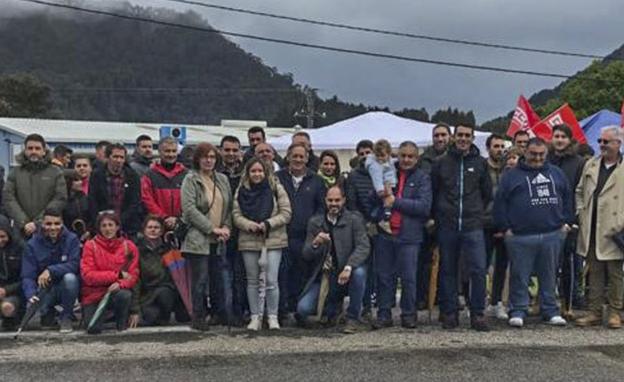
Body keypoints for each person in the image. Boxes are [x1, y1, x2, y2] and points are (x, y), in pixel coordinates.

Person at [494, 137, 572, 328]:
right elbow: (500, 203)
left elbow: (568, 198)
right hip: (520, 236)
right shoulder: (511, 176)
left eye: (541, 154)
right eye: (533, 154)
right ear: (525, 153)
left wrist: (567, 222)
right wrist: (505, 229)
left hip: (552, 233)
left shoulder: (557, 173)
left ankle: (550, 310)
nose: (537, 158)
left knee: (549, 275)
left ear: (546, 154)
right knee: (520, 275)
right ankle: (518, 310)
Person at [432, 124, 492, 331]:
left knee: (477, 269)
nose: (463, 139)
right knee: (448, 269)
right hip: (447, 224)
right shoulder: (441, 163)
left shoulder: (481, 163)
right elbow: (434, 191)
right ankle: (449, 312)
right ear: (453, 137)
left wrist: (476, 212)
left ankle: (477, 313)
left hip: (472, 225)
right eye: (460, 135)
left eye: (467, 135)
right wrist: (438, 215)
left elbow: (486, 193)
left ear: (473, 137)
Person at [370, 141, 431, 329]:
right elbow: (373, 199)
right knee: (384, 276)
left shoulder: (423, 178)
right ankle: (384, 313)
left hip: (409, 235)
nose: (406, 160)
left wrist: (395, 201)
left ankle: (408, 314)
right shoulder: (387, 172)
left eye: (410, 156)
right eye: (402, 155)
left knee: (409, 278)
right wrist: (379, 203)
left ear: (416, 158)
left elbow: (423, 207)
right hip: (385, 233)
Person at [298, 185, 370, 334]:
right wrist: (316, 243)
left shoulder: (354, 220)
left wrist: (349, 267)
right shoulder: (315, 222)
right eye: (330, 200)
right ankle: (333, 310)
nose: (334, 204)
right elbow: (306, 254)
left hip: (347, 271)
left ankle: (353, 317)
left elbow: (363, 247)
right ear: (325, 201)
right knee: (303, 309)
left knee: (360, 273)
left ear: (343, 200)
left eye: (337, 200)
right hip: (324, 276)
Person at [233, 158, 292, 331]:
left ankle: (272, 316)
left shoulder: (276, 187)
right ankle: (255, 316)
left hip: (273, 239)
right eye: (253, 171)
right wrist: (248, 225)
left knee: (272, 280)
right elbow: (235, 214)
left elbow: (286, 213)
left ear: (265, 172)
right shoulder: (241, 190)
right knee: (252, 281)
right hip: (248, 240)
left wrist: (268, 223)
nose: (257, 174)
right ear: (248, 172)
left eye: (260, 171)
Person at [575, 126, 624, 329]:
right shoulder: (591, 165)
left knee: (615, 274)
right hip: (592, 226)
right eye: (600, 141)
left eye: (606, 141)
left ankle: (615, 312)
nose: (602, 145)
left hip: (615, 229)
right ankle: (594, 312)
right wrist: (580, 212)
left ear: (618, 143)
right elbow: (579, 191)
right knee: (593, 271)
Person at [180, 143, 232, 331]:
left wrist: (226, 227)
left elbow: (229, 206)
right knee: (200, 280)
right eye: (204, 157)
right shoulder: (191, 180)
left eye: (212, 156)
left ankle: (220, 313)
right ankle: (198, 316)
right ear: (197, 159)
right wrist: (212, 229)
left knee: (218, 279)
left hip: (219, 238)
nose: (209, 160)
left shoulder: (223, 180)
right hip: (198, 238)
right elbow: (189, 210)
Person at [275, 143, 326, 321]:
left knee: (302, 274)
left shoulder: (317, 181)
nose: (298, 160)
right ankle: (281, 312)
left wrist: (315, 227)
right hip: (281, 235)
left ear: (307, 158)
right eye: (294, 156)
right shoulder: (277, 178)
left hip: (306, 237)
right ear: (287, 157)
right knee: (281, 274)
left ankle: (300, 311)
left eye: (301, 156)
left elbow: (322, 209)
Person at [21, 209, 80, 333]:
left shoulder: (72, 239)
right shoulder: (32, 244)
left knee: (70, 278)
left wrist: (50, 270)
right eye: (48, 224)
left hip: (66, 287)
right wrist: (30, 294)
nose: (53, 227)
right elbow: (27, 275)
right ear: (42, 224)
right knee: (45, 323)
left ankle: (66, 316)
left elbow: (75, 265)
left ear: (62, 223)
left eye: (57, 223)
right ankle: (48, 313)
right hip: (44, 289)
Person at [547, 124, 586, 314]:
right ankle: (543, 301)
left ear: (570, 139)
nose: (559, 139)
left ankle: (567, 305)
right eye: (556, 136)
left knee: (568, 263)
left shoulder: (579, 162)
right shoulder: (545, 159)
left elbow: (580, 192)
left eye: (563, 136)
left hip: (569, 220)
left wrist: (574, 219)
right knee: (545, 264)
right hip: (546, 217)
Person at [81, 211, 139, 334]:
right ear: (99, 228)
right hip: (94, 295)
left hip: (116, 292)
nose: (108, 229)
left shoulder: (129, 246)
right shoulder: (90, 246)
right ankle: (103, 316)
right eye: (104, 225)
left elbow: (133, 275)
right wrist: (117, 275)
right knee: (93, 329)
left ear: (117, 227)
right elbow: (88, 276)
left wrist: (120, 284)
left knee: (124, 294)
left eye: (111, 225)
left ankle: (120, 324)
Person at [3, 134, 67, 238]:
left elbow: (60, 198)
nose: (33, 151)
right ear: (25, 151)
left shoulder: (55, 172)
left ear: (44, 151)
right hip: (21, 230)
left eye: (37, 148)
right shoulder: (15, 172)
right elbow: (8, 199)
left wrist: (38, 222)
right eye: (30, 148)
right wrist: (24, 222)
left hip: (49, 229)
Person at [129, 216, 180, 327]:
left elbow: (178, 277)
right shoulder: (137, 250)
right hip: (146, 294)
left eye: (156, 227)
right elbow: (136, 281)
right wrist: (135, 310)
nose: (153, 230)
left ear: (161, 230)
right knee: (149, 318)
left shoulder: (169, 249)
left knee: (165, 293)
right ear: (144, 230)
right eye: (150, 227)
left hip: (165, 291)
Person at [218, 135, 247, 325]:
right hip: (220, 230)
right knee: (221, 275)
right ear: (220, 150)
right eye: (227, 150)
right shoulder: (214, 171)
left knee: (241, 274)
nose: (231, 154)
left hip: (243, 231)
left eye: (234, 150)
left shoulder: (246, 172)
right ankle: (222, 312)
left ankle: (239, 310)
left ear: (240, 152)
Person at [89, 143, 143, 237]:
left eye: (121, 157)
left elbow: (135, 202)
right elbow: (92, 200)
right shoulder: (96, 175)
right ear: (107, 157)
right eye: (115, 157)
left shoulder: (133, 176)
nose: (119, 160)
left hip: (127, 226)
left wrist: (119, 221)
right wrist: (101, 221)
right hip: (102, 226)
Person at [483, 134, 509, 320]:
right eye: (496, 146)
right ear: (488, 147)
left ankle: (497, 302)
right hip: (484, 222)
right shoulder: (481, 168)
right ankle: (476, 301)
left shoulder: (510, 170)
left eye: (502, 146)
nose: (499, 149)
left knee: (501, 265)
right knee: (480, 265)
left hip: (505, 223)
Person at [141, 137, 188, 232]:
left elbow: (190, 201)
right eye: (167, 151)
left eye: (173, 151)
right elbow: (147, 199)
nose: (171, 154)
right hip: (156, 226)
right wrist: (164, 217)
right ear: (159, 152)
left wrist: (178, 219)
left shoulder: (186, 175)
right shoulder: (149, 175)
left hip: (181, 225)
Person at [0, 214, 24, 331]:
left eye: (2, 236)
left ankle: (10, 319)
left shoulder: (19, 247)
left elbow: (26, 277)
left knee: (7, 307)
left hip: (14, 293)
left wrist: (6, 290)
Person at [366, 139, 397, 227]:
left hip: (390, 184)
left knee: (386, 205)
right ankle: (382, 221)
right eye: (377, 156)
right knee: (386, 205)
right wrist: (381, 190)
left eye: (382, 155)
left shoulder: (389, 162)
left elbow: (393, 162)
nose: (380, 158)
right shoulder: (375, 166)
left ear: (388, 154)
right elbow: (377, 179)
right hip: (385, 187)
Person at [63, 171, 91, 243]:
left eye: (80, 180)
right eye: (76, 180)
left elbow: (91, 216)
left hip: (87, 236)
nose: (80, 182)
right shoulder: (63, 200)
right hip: (68, 238)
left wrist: (89, 231)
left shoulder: (86, 198)